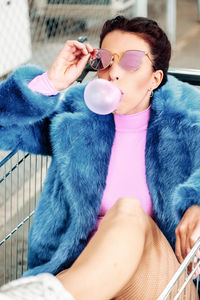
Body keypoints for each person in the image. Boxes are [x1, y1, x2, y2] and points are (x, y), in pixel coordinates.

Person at [0, 15, 200, 299]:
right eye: (104, 60)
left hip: (164, 284)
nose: (113, 72)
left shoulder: (186, 124)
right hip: (81, 279)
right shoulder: (75, 118)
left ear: (155, 79)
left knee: (128, 210)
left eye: (131, 62)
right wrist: (50, 82)